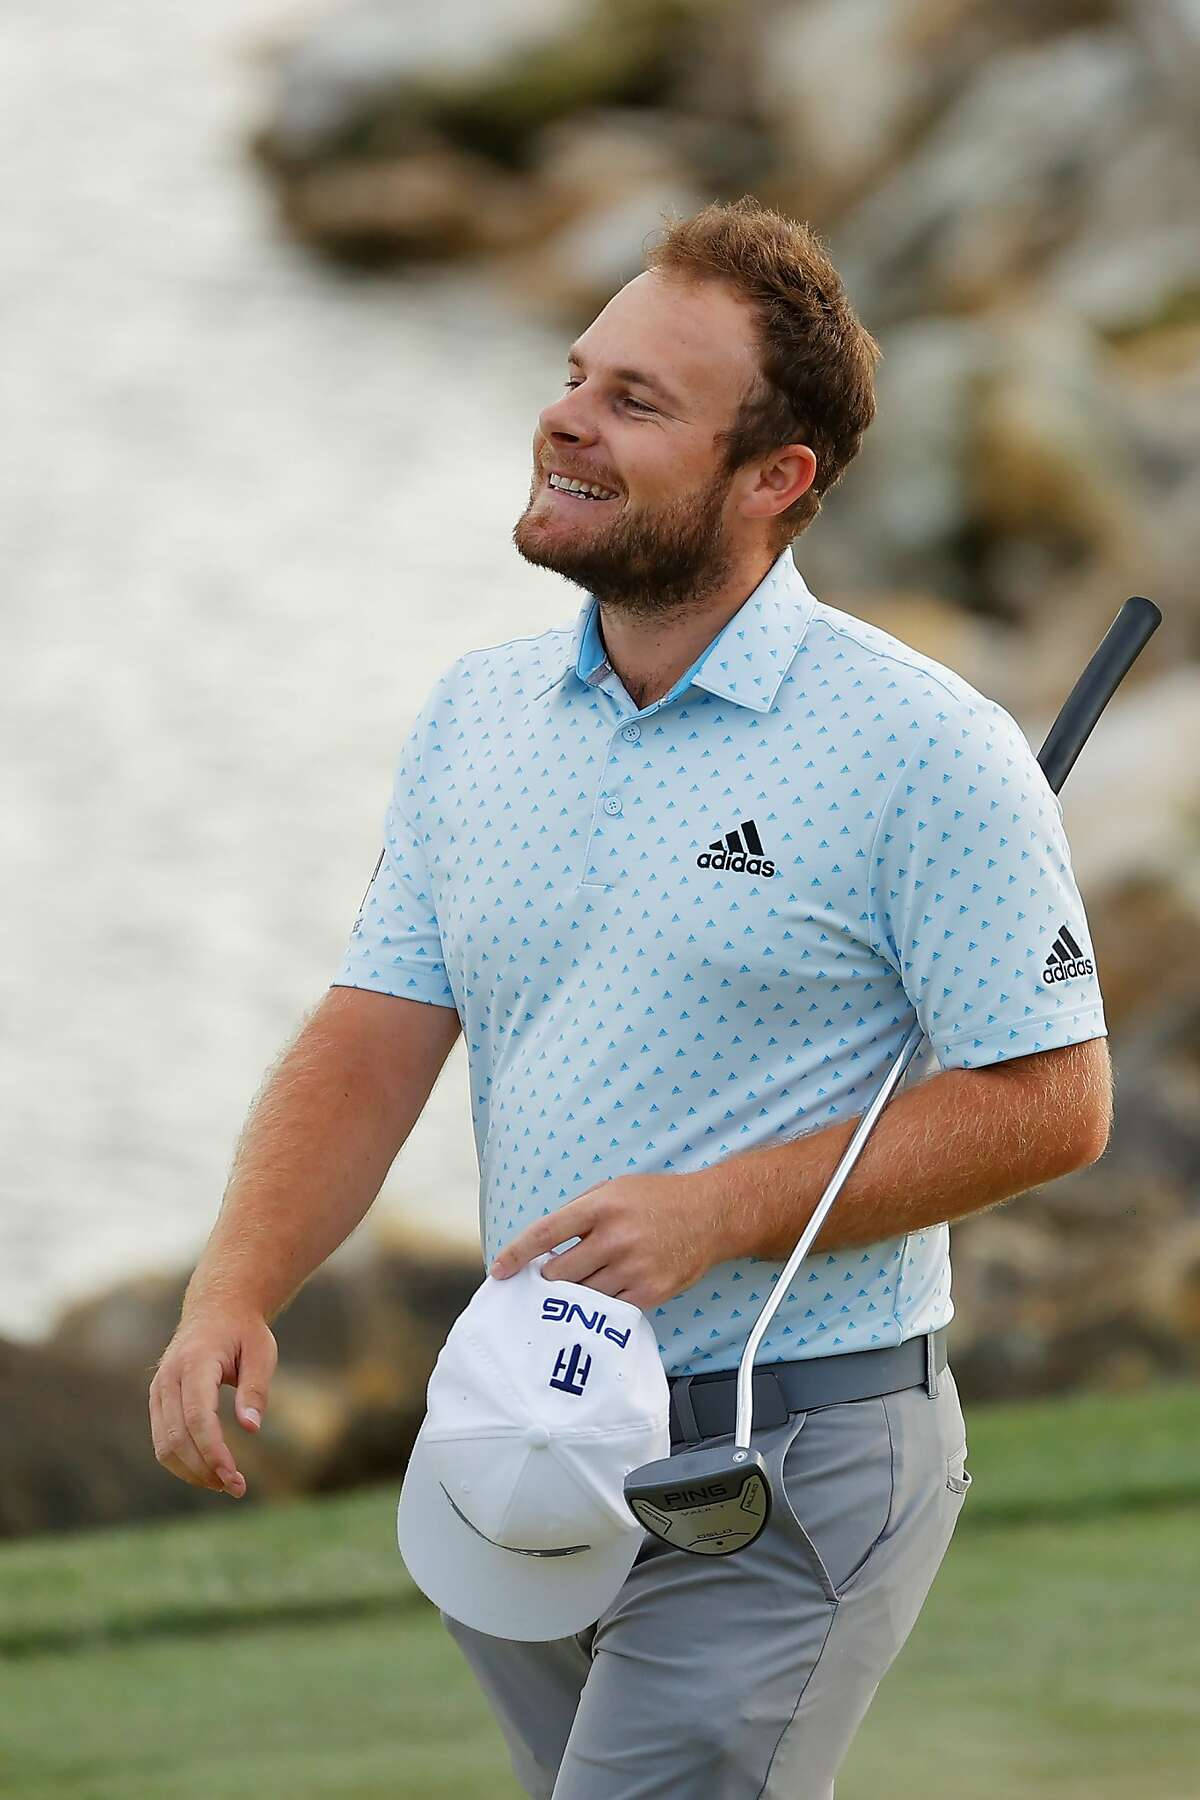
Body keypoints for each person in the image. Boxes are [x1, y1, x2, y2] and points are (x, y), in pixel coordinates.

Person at [150, 197, 1113, 1797]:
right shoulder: (479, 718)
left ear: (774, 478)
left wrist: (721, 1211)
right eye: (578, 372)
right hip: (527, 1431)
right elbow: (375, 1031)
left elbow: (1054, 1097)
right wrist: (233, 1286)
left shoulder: (923, 751)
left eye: (636, 402)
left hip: (791, 1456)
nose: (567, 417)